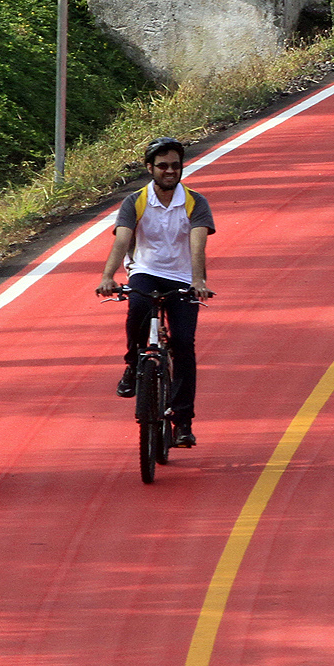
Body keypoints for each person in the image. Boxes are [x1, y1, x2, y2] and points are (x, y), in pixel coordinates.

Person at [96, 137, 215, 447]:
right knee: (137, 306)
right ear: (150, 168)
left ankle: (183, 422)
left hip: (183, 277)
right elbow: (122, 240)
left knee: (183, 344)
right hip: (145, 271)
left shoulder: (195, 202)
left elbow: (198, 244)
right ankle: (133, 364)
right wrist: (108, 276)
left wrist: (198, 281)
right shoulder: (135, 201)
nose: (170, 171)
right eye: (163, 166)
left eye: (175, 165)